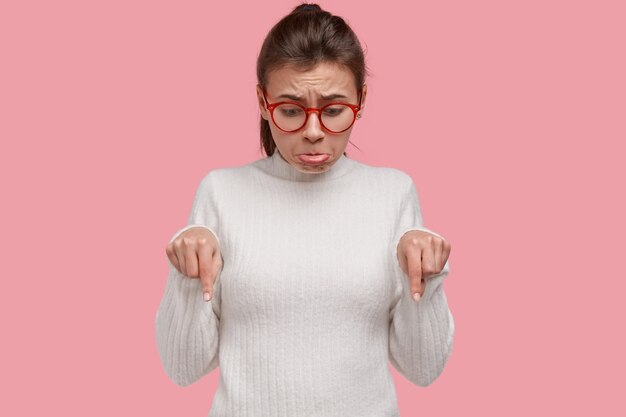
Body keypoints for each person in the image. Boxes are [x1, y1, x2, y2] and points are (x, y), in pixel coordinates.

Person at [155, 3, 454, 416]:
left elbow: (423, 370)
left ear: (361, 100)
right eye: (291, 111)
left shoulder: (393, 194)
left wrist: (428, 280)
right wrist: (187, 279)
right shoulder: (221, 193)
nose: (313, 133)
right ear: (263, 101)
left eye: (333, 111)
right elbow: (183, 369)